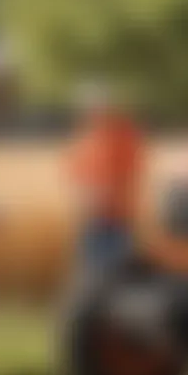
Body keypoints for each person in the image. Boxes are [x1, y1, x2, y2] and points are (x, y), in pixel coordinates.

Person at [68, 82, 144, 271]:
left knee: (114, 272)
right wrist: (84, 196)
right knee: (90, 269)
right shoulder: (86, 135)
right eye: (89, 105)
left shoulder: (123, 133)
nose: (93, 110)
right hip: (91, 218)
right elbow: (74, 172)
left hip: (116, 219)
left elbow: (131, 172)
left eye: (98, 104)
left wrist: (106, 195)